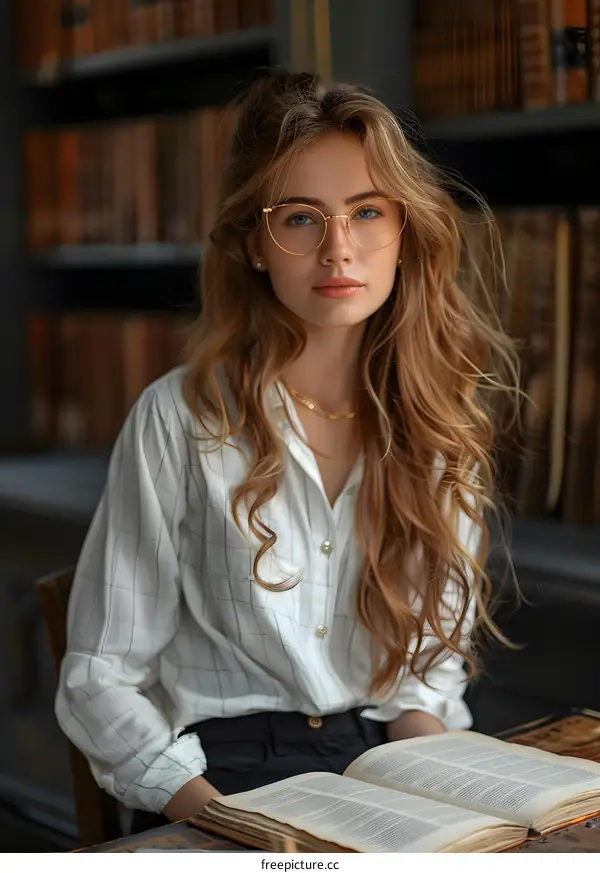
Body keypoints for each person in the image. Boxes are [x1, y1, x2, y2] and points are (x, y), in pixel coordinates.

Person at [55, 70, 517, 836]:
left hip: (383, 764)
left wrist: (459, 807)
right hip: (219, 776)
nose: (339, 248)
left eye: (367, 212)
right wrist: (220, 817)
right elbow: (99, 677)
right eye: (301, 219)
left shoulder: (441, 424)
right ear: (254, 246)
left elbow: (422, 686)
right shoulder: (180, 419)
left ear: (405, 233)